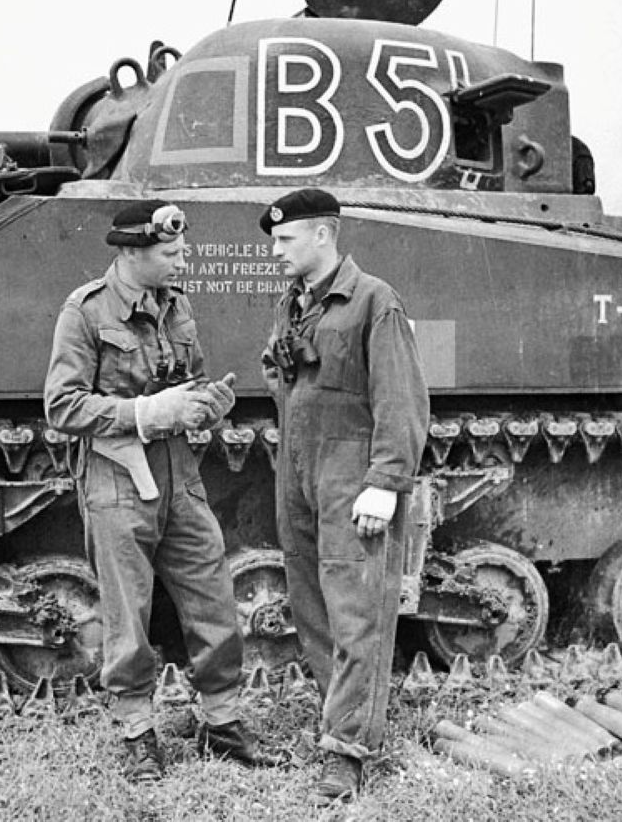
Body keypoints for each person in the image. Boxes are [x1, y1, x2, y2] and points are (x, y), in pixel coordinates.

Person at [44, 200, 271, 781]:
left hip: (179, 474)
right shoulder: (86, 311)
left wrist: (205, 405)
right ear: (131, 252)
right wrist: (146, 413)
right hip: (118, 477)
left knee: (212, 595)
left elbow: (188, 379)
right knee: (129, 611)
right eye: (170, 252)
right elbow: (62, 405)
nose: (181, 260)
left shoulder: (176, 305)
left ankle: (222, 722)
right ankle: (137, 732)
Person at [259, 188, 430, 805]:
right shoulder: (294, 302)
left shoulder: (374, 301)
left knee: (357, 615)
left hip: (350, 477)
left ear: (323, 235)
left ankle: (348, 753)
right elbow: (279, 374)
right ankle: (339, 721)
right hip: (299, 474)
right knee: (312, 609)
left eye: (285, 239)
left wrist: (384, 483)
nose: (276, 251)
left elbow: (402, 400)